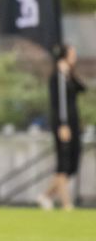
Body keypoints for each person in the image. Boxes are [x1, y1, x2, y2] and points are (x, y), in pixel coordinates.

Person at [38, 44, 86, 211]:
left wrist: (70, 74)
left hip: (74, 124)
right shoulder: (56, 77)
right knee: (63, 163)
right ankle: (67, 203)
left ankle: (46, 195)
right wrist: (63, 124)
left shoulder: (67, 75)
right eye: (72, 54)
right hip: (63, 124)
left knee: (72, 165)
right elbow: (59, 104)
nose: (75, 57)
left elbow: (82, 88)